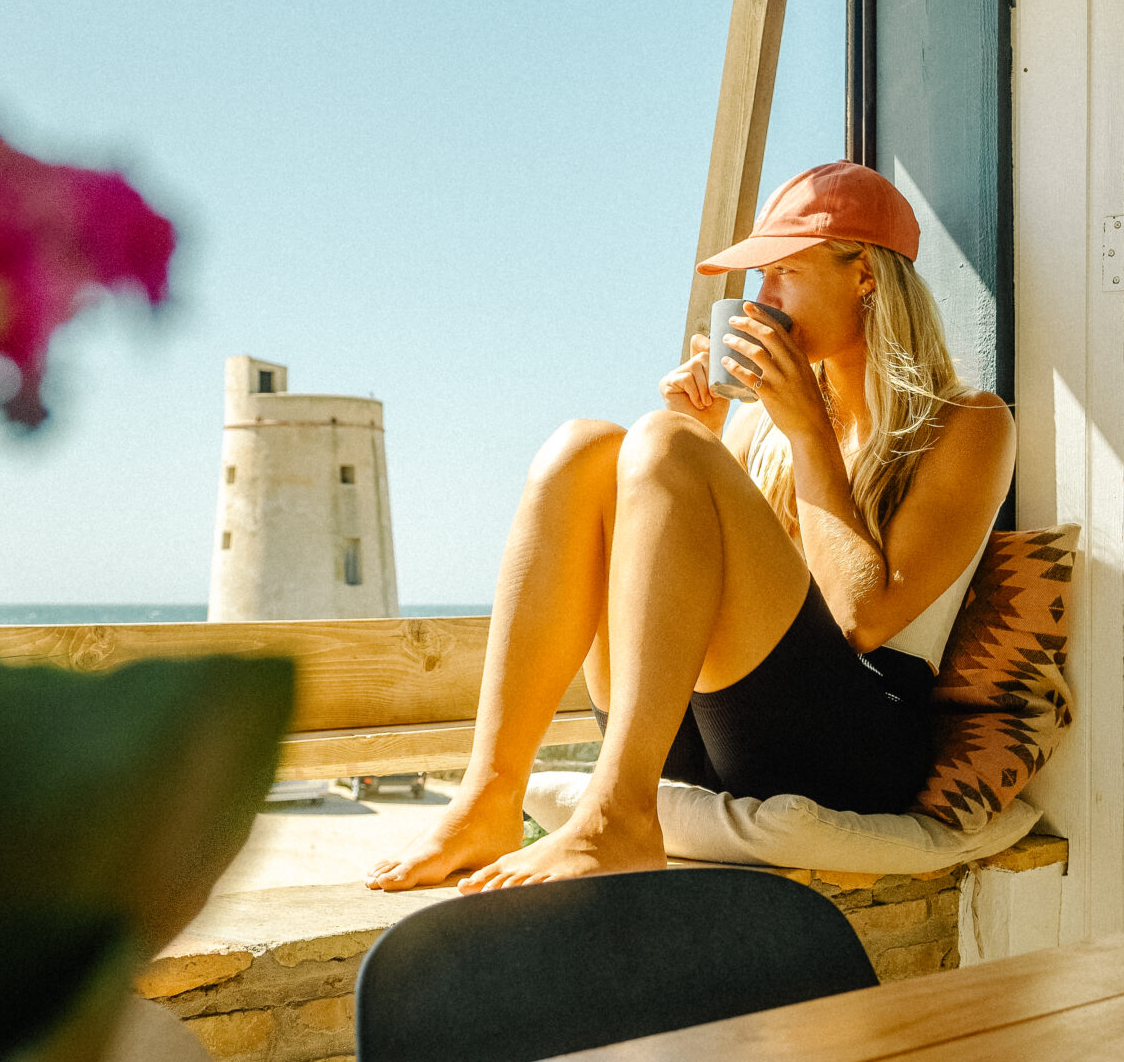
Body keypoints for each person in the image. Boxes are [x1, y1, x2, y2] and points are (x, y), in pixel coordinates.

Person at [366, 161, 1016, 894]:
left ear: (864, 275)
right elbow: (688, 586)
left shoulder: (968, 423)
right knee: (585, 448)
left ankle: (618, 817)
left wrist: (804, 434)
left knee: (667, 445)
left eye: (783, 275)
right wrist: (694, 434)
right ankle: (487, 798)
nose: (760, 303)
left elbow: (861, 619)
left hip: (853, 749)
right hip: (713, 735)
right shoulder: (759, 431)